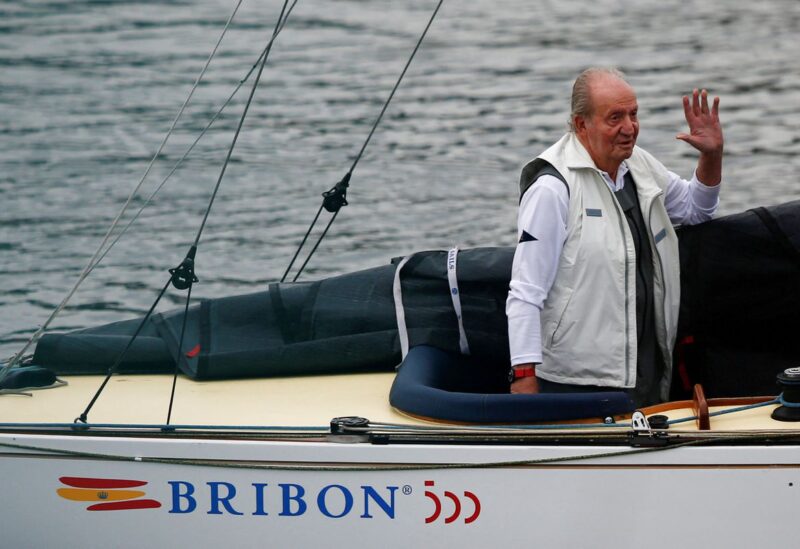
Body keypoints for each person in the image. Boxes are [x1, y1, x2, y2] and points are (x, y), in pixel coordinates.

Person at [505, 67, 723, 407]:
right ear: (581, 124)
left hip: (645, 372)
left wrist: (711, 156)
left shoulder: (640, 165)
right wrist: (524, 380)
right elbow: (525, 292)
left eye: (633, 114)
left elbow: (697, 209)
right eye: (614, 118)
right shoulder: (551, 187)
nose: (629, 128)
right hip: (576, 384)